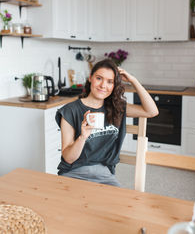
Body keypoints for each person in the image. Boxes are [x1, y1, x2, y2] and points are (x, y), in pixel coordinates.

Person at [55, 59, 158, 187]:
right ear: (90, 78)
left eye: (110, 82)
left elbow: (152, 111)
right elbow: (69, 158)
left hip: (104, 175)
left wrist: (133, 80)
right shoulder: (70, 110)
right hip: (73, 173)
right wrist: (82, 137)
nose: (103, 85)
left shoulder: (117, 108)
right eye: (99, 78)